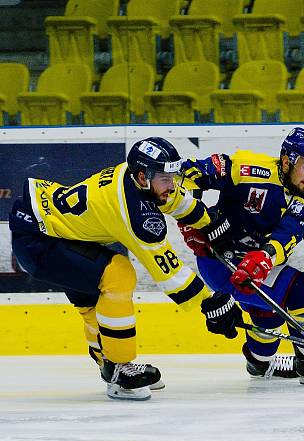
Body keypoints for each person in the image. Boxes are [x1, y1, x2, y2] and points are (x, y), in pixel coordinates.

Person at [9, 137, 244, 401]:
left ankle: (110, 366)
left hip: (56, 232)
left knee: (93, 305)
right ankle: (120, 370)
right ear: (143, 176)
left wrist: (208, 222)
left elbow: (176, 200)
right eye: (165, 179)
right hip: (38, 241)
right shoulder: (135, 212)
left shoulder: (140, 180)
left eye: (172, 176)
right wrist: (211, 304)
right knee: (118, 274)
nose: (172, 184)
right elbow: (170, 274)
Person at [178, 127, 304, 384]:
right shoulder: (245, 168)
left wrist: (266, 257)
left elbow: (289, 234)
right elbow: (186, 174)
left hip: (258, 265)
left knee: (268, 312)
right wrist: (191, 221)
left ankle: (260, 361)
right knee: (303, 291)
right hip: (219, 261)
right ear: (287, 161)